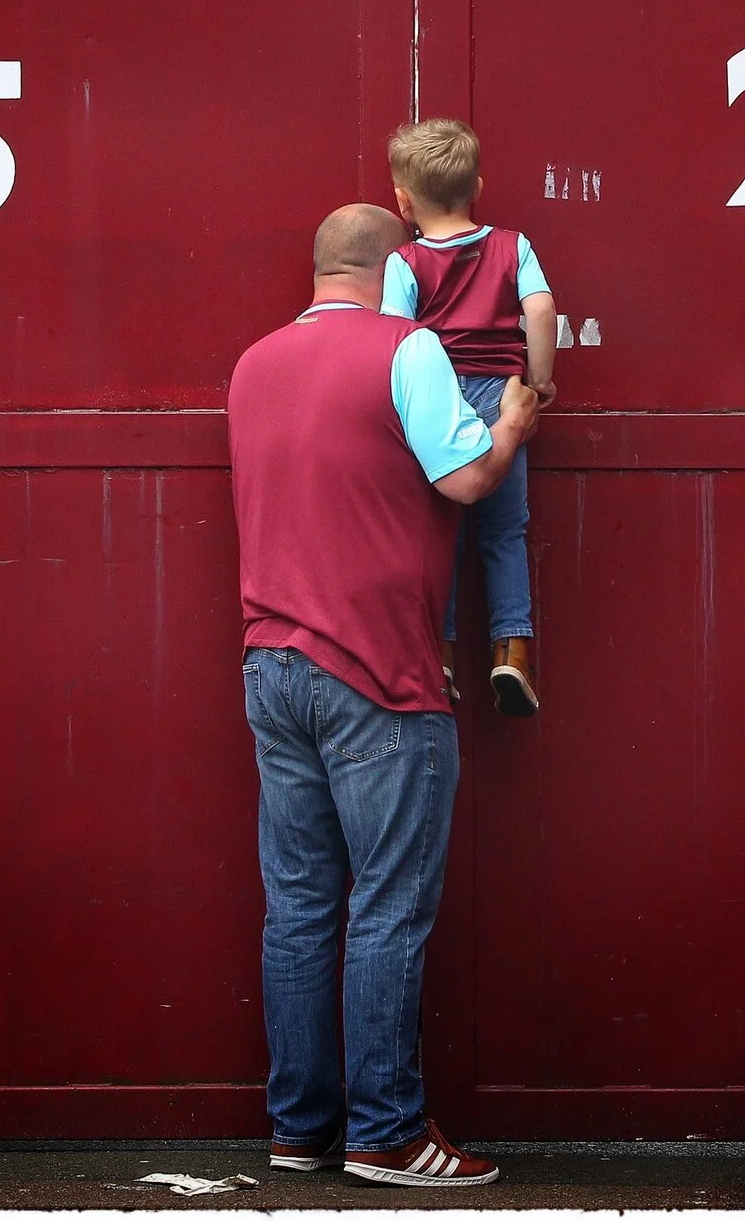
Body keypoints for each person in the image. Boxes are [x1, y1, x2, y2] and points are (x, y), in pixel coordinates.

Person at [227, 202, 540, 1189]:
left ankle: (301, 1128)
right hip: (377, 672)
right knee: (388, 904)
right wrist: (511, 426)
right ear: (390, 265)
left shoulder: (252, 363)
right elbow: (463, 480)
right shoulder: (407, 350)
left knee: (301, 904)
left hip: (271, 663)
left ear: (320, 268)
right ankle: (389, 1133)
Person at [380, 120, 557, 715]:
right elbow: (541, 307)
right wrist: (538, 381)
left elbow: (394, 339)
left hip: (437, 404)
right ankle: (512, 652)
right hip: (500, 397)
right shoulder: (513, 246)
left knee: (443, 537)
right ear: (477, 184)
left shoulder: (404, 262)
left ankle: (443, 659)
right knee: (504, 533)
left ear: (403, 202)